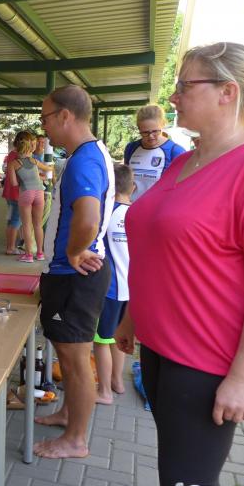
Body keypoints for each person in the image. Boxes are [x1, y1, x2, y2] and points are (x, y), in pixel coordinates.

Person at [115, 42, 244, 486]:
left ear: (227, 92)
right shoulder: (184, 161)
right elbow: (161, 248)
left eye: (185, 85)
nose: (174, 96)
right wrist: (132, 316)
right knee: (176, 475)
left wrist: (243, 377)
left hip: (206, 360)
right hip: (160, 348)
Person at [34, 85, 114, 459]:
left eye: (45, 118)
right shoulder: (87, 154)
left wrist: (74, 251)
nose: (43, 126)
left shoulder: (84, 160)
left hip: (74, 276)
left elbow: (88, 217)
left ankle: (76, 439)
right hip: (71, 273)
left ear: (65, 115)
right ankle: (69, 414)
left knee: (76, 359)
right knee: (67, 355)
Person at [94, 163, 133, 404]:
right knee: (119, 337)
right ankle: (117, 382)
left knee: (101, 341)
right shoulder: (138, 213)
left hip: (109, 288)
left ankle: (104, 391)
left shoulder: (105, 213)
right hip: (131, 288)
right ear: (133, 187)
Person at [123, 104, 186, 201]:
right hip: (132, 206)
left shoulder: (176, 151)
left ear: (162, 125)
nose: (151, 136)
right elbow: (126, 181)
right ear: (139, 129)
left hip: (159, 207)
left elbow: (182, 189)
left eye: (155, 131)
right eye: (145, 132)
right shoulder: (131, 148)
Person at [7, 131, 53, 263]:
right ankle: (40, 253)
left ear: (16, 145)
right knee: (38, 225)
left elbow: (14, 183)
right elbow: (48, 169)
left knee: (27, 225)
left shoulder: (13, 163)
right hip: (39, 192)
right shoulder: (34, 160)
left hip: (26, 192)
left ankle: (28, 255)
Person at [2, 141, 22, 255]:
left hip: (9, 193)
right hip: (16, 194)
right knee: (16, 220)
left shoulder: (11, 154)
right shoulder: (19, 157)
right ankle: (11, 247)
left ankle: (9, 246)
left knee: (10, 220)